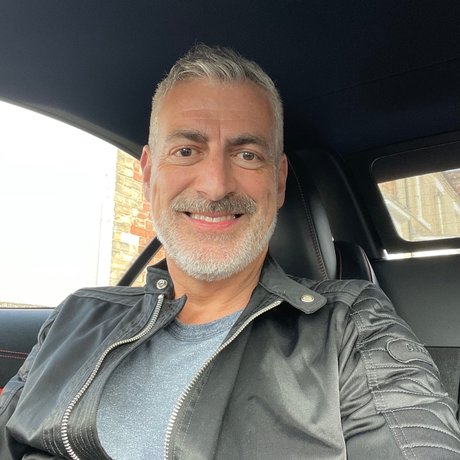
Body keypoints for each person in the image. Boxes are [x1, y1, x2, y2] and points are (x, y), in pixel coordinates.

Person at [1, 45, 459, 460]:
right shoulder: (77, 314)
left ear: (279, 181)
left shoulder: (349, 327)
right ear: (148, 173)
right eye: (186, 150)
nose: (216, 185)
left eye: (247, 155)